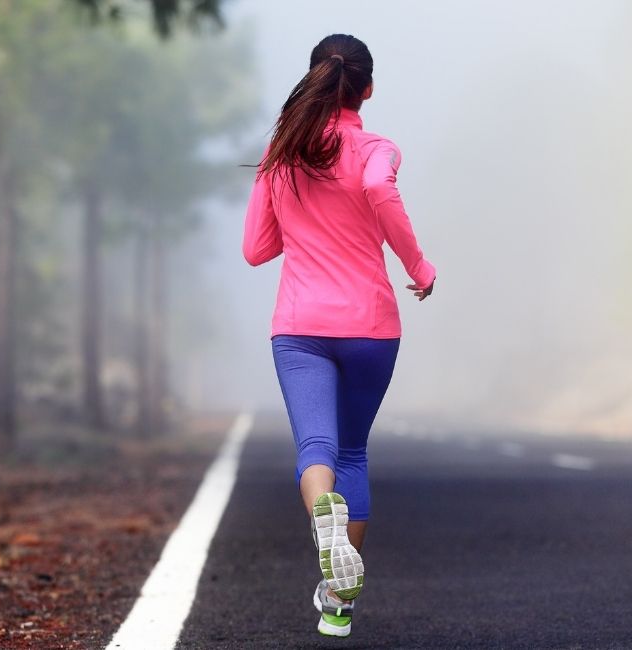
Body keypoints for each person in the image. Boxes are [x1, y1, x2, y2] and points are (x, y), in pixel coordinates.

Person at [242, 33, 436, 639]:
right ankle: (336, 600)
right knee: (352, 451)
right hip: (371, 327)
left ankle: (322, 527)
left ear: (316, 79)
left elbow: (255, 249)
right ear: (367, 90)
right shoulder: (377, 148)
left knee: (316, 451)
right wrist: (419, 267)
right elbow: (379, 189)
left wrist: (299, 219)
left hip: (300, 329)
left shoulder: (282, 153)